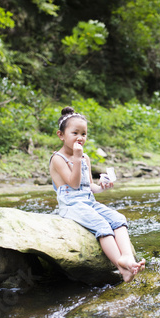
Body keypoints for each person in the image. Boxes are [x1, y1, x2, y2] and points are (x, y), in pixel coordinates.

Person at [49, 106, 145, 282]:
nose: (80, 138)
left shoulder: (84, 158)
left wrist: (102, 187)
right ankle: (120, 266)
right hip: (71, 206)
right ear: (61, 135)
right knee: (102, 226)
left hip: (88, 202)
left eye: (84, 134)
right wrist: (77, 158)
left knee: (118, 219)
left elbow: (87, 186)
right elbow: (73, 183)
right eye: (75, 133)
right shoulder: (58, 158)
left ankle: (127, 258)